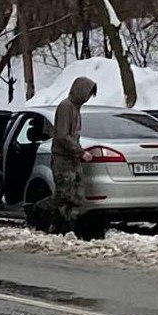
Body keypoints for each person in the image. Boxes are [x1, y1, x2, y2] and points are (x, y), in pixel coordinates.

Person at [51, 76, 97, 232]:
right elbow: (62, 135)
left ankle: (69, 226)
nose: (88, 97)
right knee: (65, 195)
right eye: (88, 93)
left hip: (73, 158)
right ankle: (59, 226)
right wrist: (80, 151)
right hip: (63, 159)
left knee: (76, 195)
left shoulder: (75, 109)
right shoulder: (66, 107)